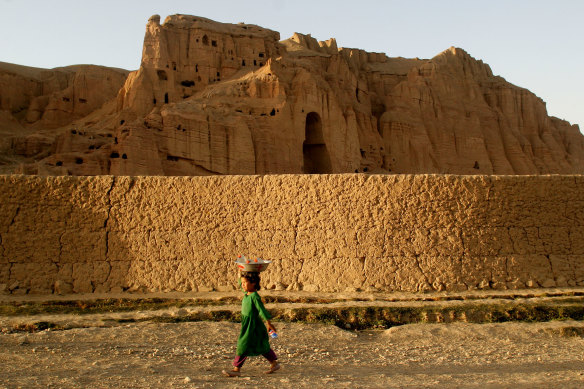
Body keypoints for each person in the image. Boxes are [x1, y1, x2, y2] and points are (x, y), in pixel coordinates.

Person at [222, 271, 281, 377]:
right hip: (248, 324)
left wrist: (268, 323)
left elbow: (261, 310)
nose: (243, 285)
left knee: (243, 344)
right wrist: (240, 270)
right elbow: (240, 283)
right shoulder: (247, 294)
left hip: (253, 326)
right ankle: (274, 363)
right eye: (242, 283)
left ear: (253, 283)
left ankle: (236, 369)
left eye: (245, 282)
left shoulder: (254, 296)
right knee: (261, 345)